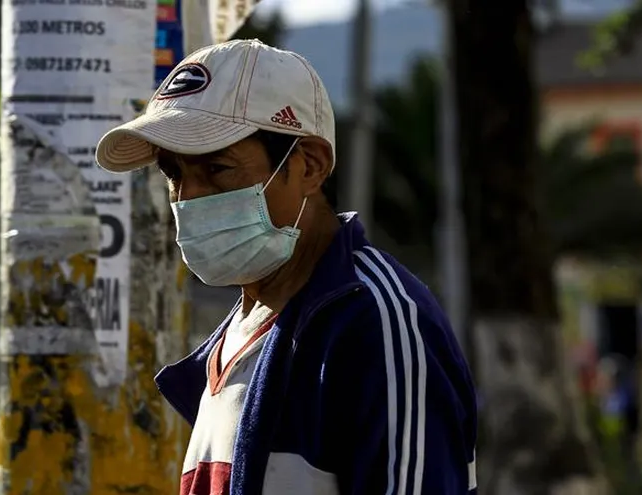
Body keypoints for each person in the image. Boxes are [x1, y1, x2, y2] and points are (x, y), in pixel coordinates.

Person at [96, 38, 477, 495]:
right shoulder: (238, 337)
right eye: (175, 174)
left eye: (217, 169)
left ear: (310, 167)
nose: (188, 198)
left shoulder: (376, 325)